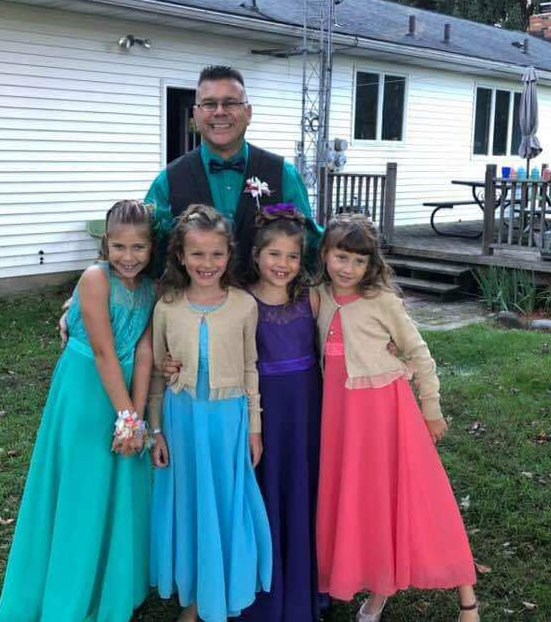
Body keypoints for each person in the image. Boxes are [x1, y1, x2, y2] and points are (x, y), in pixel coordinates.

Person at [162, 202, 325, 622]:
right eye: (274, 254)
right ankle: (245, 584)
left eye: (292, 256)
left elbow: (350, 316)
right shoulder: (241, 299)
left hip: (300, 410)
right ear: (254, 255)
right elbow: (176, 342)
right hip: (250, 410)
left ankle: (299, 583)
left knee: (297, 489)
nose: (283, 264)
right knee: (255, 493)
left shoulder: (313, 299)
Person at [0, 200, 156, 622]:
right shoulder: (94, 278)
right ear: (106, 244)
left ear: (153, 247)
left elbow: (143, 352)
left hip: (125, 399)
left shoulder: (152, 288)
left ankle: (108, 582)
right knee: (81, 488)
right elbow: (104, 351)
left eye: (139, 247)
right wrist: (127, 417)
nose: (129, 257)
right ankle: (67, 589)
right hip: (86, 388)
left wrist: (136, 420)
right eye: (119, 246)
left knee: (118, 484)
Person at [313, 214, 480, 622]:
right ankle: (375, 586)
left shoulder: (383, 302)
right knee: (359, 499)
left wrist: (432, 408)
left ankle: (468, 598)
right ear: (324, 255)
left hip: (385, 413)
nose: (347, 268)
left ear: (371, 264)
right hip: (339, 417)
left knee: (416, 495)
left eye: (358, 260)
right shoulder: (317, 295)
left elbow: (419, 352)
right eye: (340, 257)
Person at [149, 205, 272, 622]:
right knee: (190, 500)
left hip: (227, 419)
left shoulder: (242, 304)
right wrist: (156, 429)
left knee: (224, 501)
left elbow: (251, 366)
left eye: (216, 254)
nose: (207, 263)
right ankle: (195, 591)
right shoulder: (167, 305)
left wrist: (254, 428)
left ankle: (218, 589)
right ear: (181, 256)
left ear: (229, 254)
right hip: (182, 418)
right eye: (197, 254)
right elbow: (157, 370)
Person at [146, 65, 320, 276]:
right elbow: (148, 250)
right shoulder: (168, 181)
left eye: (230, 103)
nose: (220, 111)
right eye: (209, 104)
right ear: (196, 114)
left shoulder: (283, 174)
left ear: (248, 112)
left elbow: (309, 245)